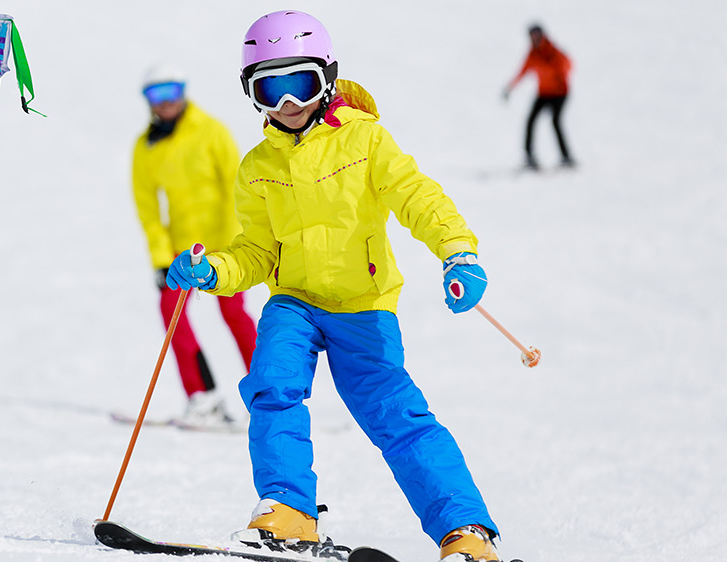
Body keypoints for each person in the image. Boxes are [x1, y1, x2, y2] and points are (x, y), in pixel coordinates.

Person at [164, 11, 505, 562]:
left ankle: (465, 530)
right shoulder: (256, 166)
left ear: (326, 77)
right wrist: (214, 272)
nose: (288, 104)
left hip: (362, 305)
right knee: (272, 383)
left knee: (395, 415)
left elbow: (417, 196)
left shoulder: (367, 142)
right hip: (294, 301)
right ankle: (289, 512)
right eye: (269, 89)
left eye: (299, 83)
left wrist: (457, 251)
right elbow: (257, 251)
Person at [131, 64, 258, 429]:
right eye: (157, 95)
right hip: (182, 252)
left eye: (171, 91)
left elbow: (239, 187)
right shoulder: (147, 147)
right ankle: (202, 396)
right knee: (171, 313)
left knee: (234, 314)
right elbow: (148, 208)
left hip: (223, 248)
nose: (166, 102)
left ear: (183, 91)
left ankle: (267, 396)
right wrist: (160, 257)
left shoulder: (211, 131)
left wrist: (240, 244)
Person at [503, 23, 573, 170]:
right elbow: (522, 71)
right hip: (544, 93)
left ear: (542, 35)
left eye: (537, 34)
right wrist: (510, 87)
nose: (534, 38)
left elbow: (568, 64)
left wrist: (562, 76)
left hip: (560, 93)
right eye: (532, 35)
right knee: (530, 121)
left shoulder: (553, 51)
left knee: (555, 122)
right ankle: (529, 157)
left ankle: (566, 157)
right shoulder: (533, 54)